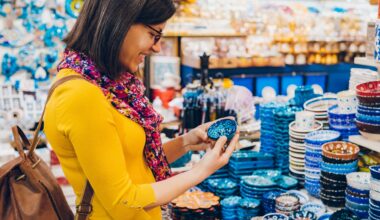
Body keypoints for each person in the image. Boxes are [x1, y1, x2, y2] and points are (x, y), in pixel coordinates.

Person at [43, 0, 239, 219]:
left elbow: (134, 163)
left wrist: (186, 142)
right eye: (154, 35)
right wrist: (202, 170)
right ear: (119, 23)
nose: (156, 47)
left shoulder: (109, 84)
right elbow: (123, 202)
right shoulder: (82, 95)